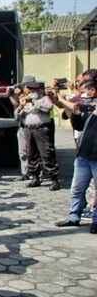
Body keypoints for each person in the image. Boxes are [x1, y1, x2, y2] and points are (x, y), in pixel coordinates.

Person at [55, 79, 97, 234]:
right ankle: (74, 217)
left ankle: (96, 222)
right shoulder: (89, 107)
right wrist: (77, 115)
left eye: (87, 91)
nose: (85, 94)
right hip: (83, 157)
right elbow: (79, 126)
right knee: (77, 189)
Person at [15, 81, 60, 190]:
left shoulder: (45, 98)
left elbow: (48, 107)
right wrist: (21, 106)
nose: (31, 92)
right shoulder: (26, 99)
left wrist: (34, 102)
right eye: (29, 90)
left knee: (47, 154)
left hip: (42, 128)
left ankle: (54, 179)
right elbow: (17, 115)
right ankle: (35, 177)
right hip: (29, 129)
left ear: (38, 90)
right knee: (32, 155)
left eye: (33, 90)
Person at [9, 76, 37, 181]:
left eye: (27, 85)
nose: (26, 87)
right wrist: (11, 95)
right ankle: (25, 173)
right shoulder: (22, 95)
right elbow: (17, 106)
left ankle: (37, 173)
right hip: (22, 126)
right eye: (25, 85)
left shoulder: (37, 94)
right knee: (23, 152)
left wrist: (21, 95)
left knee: (35, 151)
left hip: (35, 127)